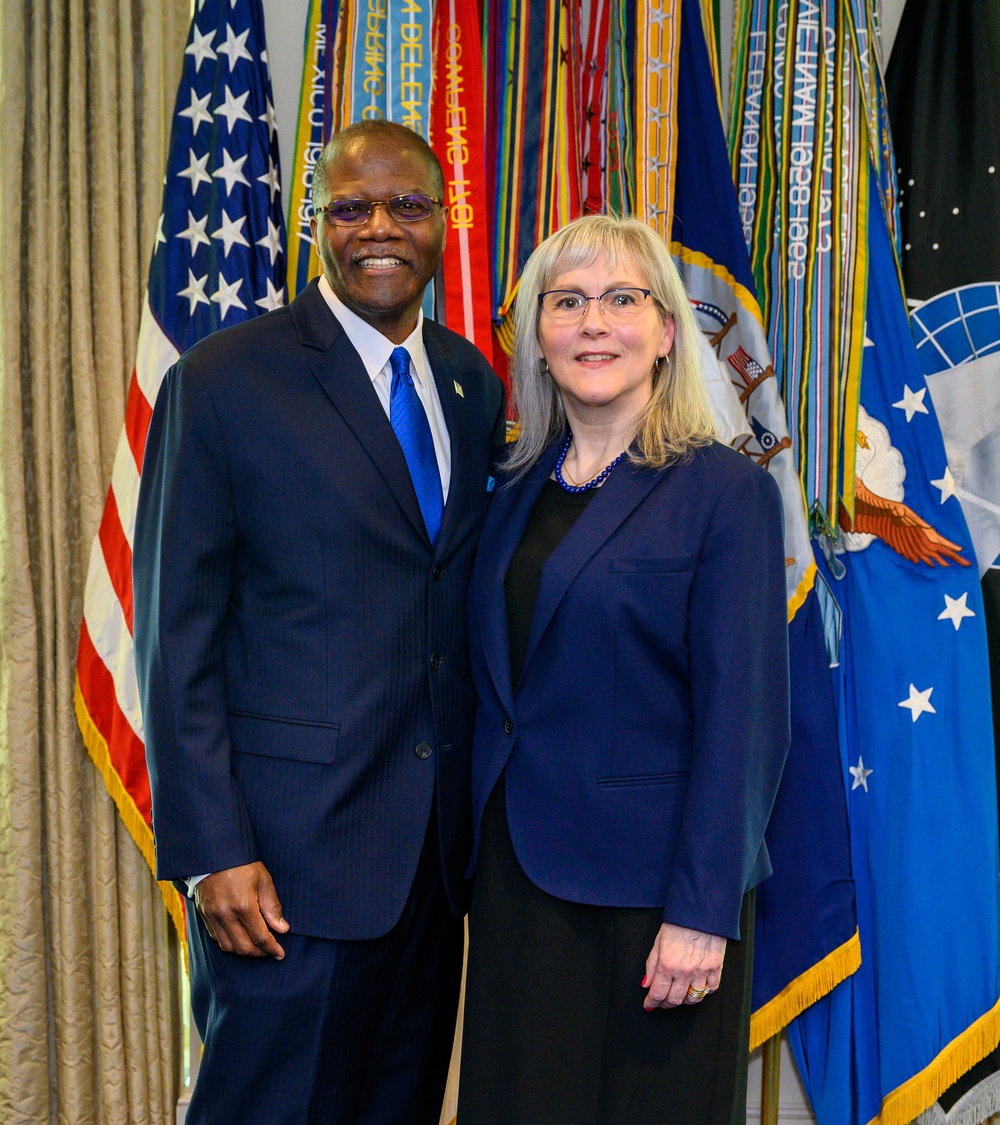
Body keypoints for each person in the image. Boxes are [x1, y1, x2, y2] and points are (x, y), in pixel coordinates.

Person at [133, 120, 505, 1125]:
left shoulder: (472, 385)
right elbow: (174, 642)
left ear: (444, 220)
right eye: (352, 207)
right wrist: (215, 850)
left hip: (430, 874)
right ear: (317, 225)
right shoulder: (221, 382)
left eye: (406, 205)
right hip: (283, 872)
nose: (379, 227)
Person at [457, 214, 790, 1125]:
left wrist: (703, 908)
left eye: (620, 299)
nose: (592, 322)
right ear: (537, 335)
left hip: (655, 903)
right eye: (565, 302)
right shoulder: (514, 490)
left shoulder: (726, 491)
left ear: (667, 331)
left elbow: (746, 718)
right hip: (518, 885)